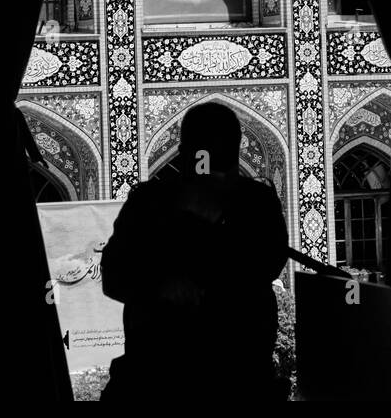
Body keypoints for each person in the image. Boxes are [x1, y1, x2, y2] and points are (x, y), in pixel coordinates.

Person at [99, 102, 289, 401]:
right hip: (161, 372)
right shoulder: (151, 202)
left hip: (237, 373)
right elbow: (113, 276)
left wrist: (216, 220)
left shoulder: (255, 202)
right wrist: (160, 286)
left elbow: (268, 263)